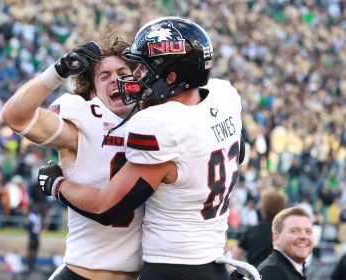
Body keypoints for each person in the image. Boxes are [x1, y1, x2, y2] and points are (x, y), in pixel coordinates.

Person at [38, 16, 247, 280]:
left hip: (171, 268)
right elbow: (238, 154)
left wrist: (56, 184)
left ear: (171, 77)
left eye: (144, 69)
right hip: (212, 261)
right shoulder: (223, 97)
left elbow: (107, 207)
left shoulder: (160, 124)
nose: (136, 75)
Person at [2, 35, 143, 279]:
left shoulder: (156, 122)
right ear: (92, 92)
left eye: (123, 71)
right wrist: (57, 72)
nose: (116, 79)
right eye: (104, 76)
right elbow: (16, 117)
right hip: (83, 274)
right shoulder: (84, 122)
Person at [233, 188, 288, 267]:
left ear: (263, 208)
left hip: (255, 274)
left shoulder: (252, 231)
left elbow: (236, 256)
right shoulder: (285, 232)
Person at [257, 207, 314, 280]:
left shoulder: (290, 269)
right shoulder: (272, 271)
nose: (304, 236)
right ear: (276, 237)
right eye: (294, 231)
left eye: (308, 231)